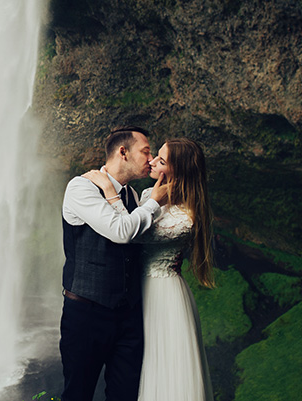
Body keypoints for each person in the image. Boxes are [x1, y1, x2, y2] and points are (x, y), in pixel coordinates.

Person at [83, 137, 215, 401]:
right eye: (156, 155)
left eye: (162, 161)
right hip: (134, 292)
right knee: (134, 366)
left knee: (164, 365)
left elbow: (129, 233)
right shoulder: (145, 195)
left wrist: (108, 188)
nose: (152, 160)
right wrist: (151, 200)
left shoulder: (185, 217)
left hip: (163, 295)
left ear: (178, 172)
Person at [60, 126, 168, 401]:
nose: (151, 158)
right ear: (123, 152)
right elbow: (121, 232)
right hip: (86, 314)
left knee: (125, 394)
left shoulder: (132, 196)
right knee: (78, 394)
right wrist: (154, 203)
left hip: (128, 317)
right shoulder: (81, 187)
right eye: (145, 151)